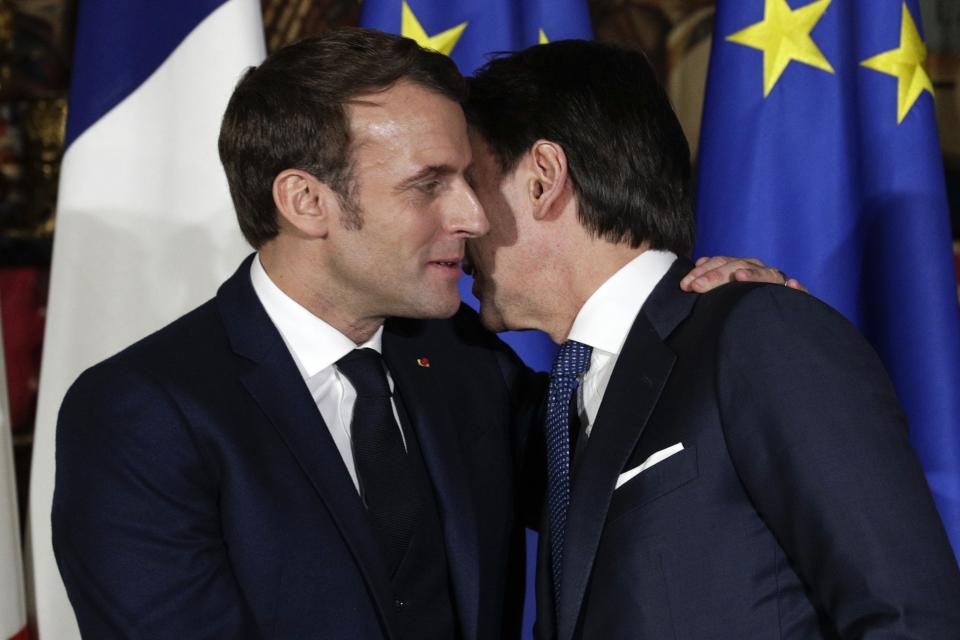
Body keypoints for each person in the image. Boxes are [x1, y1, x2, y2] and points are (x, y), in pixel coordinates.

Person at [52, 28, 791, 640]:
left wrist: (698, 322)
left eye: (469, 177)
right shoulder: (142, 413)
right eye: (429, 184)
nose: (474, 216)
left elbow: (625, 456)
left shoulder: (460, 360)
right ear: (307, 201)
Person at [464, 39, 960, 639]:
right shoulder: (565, 406)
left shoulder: (759, 331)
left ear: (543, 179)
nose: (461, 218)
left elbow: (909, 618)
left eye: (470, 181)